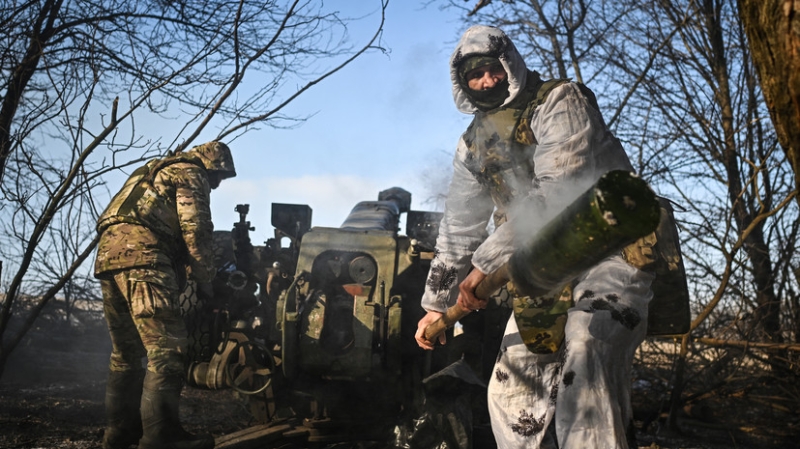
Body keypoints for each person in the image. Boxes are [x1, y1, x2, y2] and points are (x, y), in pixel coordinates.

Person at [414, 25, 654, 449]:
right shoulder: (471, 146)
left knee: (587, 349)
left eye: (492, 69)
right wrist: (437, 304)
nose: (487, 81)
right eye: (475, 75)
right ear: (462, 82)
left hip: (609, 251)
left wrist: (486, 264)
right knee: (513, 386)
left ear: (510, 65)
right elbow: (460, 224)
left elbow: (558, 190)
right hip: (539, 268)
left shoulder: (560, 101)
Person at [94, 141, 236, 449]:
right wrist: (206, 283)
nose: (217, 183)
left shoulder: (148, 172)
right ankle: (160, 438)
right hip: (144, 256)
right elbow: (195, 230)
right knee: (167, 351)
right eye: (219, 177)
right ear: (211, 165)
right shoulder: (190, 172)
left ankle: (119, 433)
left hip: (108, 257)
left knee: (126, 353)